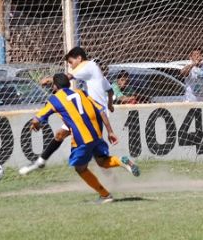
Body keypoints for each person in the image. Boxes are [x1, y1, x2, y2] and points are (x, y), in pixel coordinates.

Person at [30, 73, 139, 203]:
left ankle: (105, 195)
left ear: (55, 86)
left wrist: (36, 125)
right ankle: (121, 161)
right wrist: (110, 131)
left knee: (80, 168)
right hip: (96, 133)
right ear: (68, 84)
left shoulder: (54, 99)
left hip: (81, 139)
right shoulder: (82, 93)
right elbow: (101, 111)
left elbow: (36, 119)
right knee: (102, 161)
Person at [20, 46, 114, 175]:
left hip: (93, 113)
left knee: (95, 154)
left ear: (79, 58)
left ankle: (111, 177)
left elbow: (66, 78)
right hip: (87, 112)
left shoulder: (86, 66)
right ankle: (41, 161)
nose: (71, 65)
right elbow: (110, 90)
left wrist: (49, 79)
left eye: (71, 62)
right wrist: (110, 104)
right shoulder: (94, 71)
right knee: (60, 135)